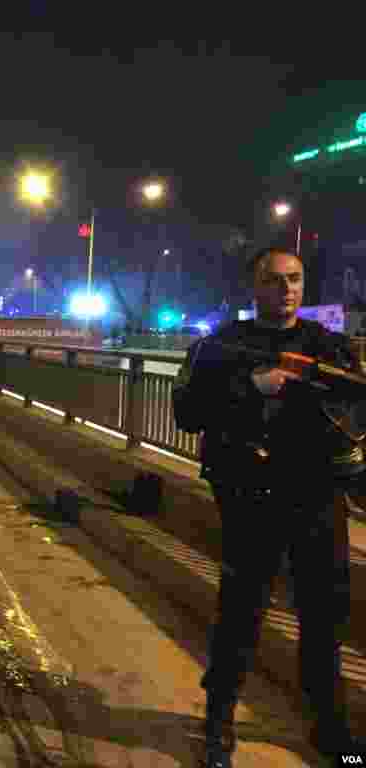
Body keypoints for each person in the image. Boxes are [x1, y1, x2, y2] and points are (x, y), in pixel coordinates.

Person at [172, 247, 365, 768]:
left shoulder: (330, 347)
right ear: (254, 287)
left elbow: (355, 412)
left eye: (295, 279)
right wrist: (252, 387)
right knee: (240, 614)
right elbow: (187, 413)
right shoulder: (221, 346)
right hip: (250, 500)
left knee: (324, 619)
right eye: (274, 280)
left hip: (318, 500)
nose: (286, 290)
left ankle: (330, 730)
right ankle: (218, 722)